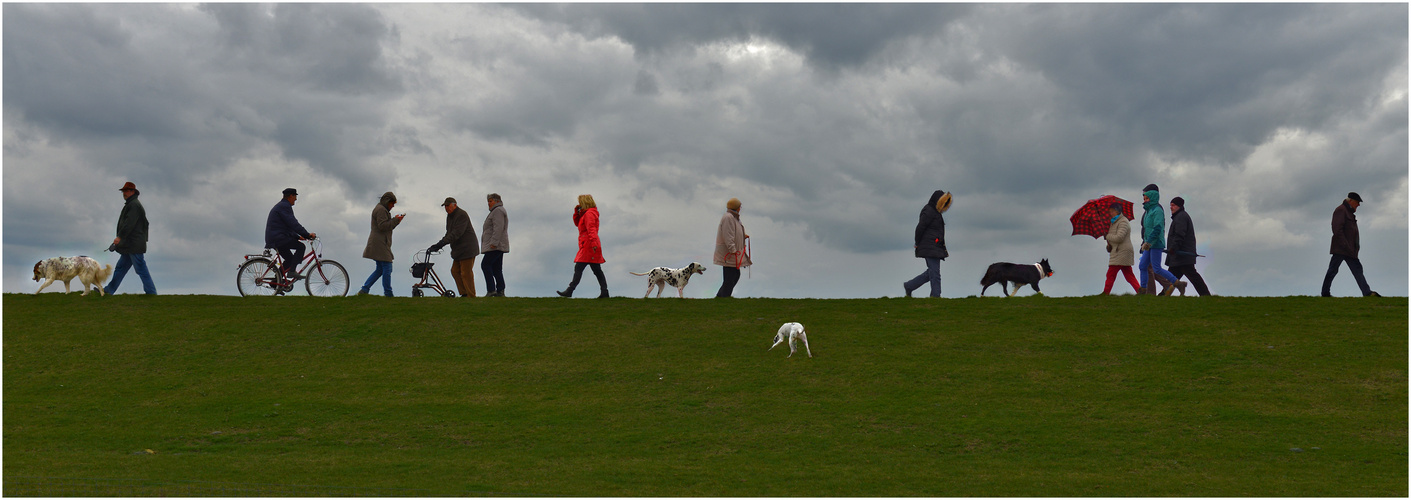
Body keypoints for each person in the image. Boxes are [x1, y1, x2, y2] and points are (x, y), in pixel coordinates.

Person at [103, 181, 157, 295]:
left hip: (134, 244)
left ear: (133, 191)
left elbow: (129, 224)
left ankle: (151, 292)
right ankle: (109, 290)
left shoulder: (133, 205)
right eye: (123, 191)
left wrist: (120, 237)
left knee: (140, 268)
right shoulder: (132, 204)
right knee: (121, 268)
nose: (124, 193)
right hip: (131, 244)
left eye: (127, 191)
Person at [1321, 192, 1380, 297]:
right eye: (1357, 202)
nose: (1358, 205)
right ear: (1351, 201)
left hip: (1348, 249)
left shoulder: (1347, 212)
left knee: (1356, 270)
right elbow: (1337, 230)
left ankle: (1367, 292)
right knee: (1333, 270)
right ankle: (1325, 293)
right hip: (1342, 249)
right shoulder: (1341, 210)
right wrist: (1345, 245)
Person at [557, 194, 609, 298]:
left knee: (580, 268)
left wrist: (594, 243)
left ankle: (570, 290)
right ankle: (604, 292)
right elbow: (577, 223)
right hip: (588, 244)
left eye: (580, 202)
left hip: (589, 245)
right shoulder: (586, 214)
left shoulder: (589, 214)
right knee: (596, 270)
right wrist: (577, 212)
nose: (579, 204)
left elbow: (591, 229)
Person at [429, 197, 480, 298]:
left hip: (467, 249)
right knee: (455, 271)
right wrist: (439, 244)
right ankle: (464, 293)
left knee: (466, 273)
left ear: (455, 205)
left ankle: (471, 296)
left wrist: (442, 243)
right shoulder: (449, 217)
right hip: (458, 250)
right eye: (445, 206)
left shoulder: (462, 215)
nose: (446, 208)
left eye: (448, 206)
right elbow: (449, 233)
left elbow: (457, 233)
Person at [904, 190, 950, 298]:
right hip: (930, 246)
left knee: (931, 273)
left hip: (934, 246)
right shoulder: (929, 211)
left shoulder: (935, 212)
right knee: (935, 273)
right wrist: (917, 242)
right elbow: (920, 227)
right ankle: (936, 296)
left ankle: (909, 286)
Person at [358, 191, 405, 297]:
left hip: (378, 242)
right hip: (380, 243)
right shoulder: (381, 210)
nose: (393, 206)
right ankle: (388, 294)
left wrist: (395, 220)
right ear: (387, 201)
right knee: (387, 267)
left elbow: (384, 225)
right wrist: (396, 220)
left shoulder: (380, 208)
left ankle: (364, 290)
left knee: (380, 269)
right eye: (392, 203)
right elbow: (383, 226)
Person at [1138, 184, 1181, 296]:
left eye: (1147, 198)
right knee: (1143, 266)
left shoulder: (1157, 210)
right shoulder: (1147, 211)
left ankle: (1175, 283)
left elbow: (1157, 228)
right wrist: (1144, 242)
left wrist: (1148, 242)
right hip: (1147, 244)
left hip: (1155, 244)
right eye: (1144, 198)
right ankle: (1143, 290)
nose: (1145, 201)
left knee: (1155, 269)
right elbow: (1146, 229)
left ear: (1153, 197)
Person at [265, 188, 316, 282]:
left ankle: (276, 282)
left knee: (289, 260)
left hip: (276, 237)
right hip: (278, 238)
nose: (296, 199)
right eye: (295, 196)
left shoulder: (282, 206)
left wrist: (298, 236)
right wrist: (307, 234)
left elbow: (286, 226)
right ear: (291, 196)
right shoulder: (285, 206)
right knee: (301, 247)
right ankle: (292, 271)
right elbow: (293, 224)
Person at [1164, 196, 1208, 296]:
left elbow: (1180, 235)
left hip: (1182, 256)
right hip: (1179, 257)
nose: (1171, 207)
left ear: (1179, 206)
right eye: (1170, 205)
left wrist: (1173, 248)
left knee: (1192, 277)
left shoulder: (1181, 217)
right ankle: (1162, 296)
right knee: (1172, 278)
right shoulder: (1179, 216)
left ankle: (1206, 295)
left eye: (1173, 205)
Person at [713, 198, 753, 298]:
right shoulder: (729, 218)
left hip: (733, 254)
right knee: (730, 277)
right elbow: (728, 235)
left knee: (734, 276)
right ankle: (723, 297)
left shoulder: (733, 218)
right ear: (737, 208)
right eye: (740, 206)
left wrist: (743, 235)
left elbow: (733, 233)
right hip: (730, 254)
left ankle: (722, 297)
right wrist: (733, 250)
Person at [1101, 202, 1141, 295]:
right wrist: (1109, 245)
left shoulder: (1123, 221)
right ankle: (1140, 291)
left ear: (1117, 211)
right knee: (1129, 275)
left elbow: (1119, 237)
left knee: (1111, 273)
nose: (1110, 213)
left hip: (1121, 252)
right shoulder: (1114, 222)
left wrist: (1107, 236)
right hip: (1119, 251)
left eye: (1112, 211)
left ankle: (1106, 293)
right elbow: (1114, 238)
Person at [481, 193, 509, 297]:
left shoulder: (497, 211)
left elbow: (498, 228)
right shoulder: (497, 211)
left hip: (495, 245)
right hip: (498, 245)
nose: (489, 203)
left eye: (491, 201)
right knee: (496, 268)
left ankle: (491, 289)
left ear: (497, 201)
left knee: (485, 265)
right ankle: (500, 290)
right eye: (488, 201)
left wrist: (494, 243)